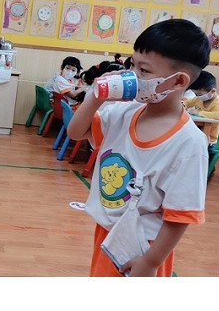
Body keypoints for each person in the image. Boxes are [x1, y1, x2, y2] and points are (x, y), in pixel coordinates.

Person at [67, 18, 211, 277]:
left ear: (178, 81)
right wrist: (96, 97)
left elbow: (180, 216)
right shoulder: (123, 112)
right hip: (108, 233)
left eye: (143, 70)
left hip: (146, 246)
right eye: (132, 64)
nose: (133, 75)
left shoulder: (189, 143)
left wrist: (151, 262)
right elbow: (75, 132)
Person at [184, 70, 219, 155]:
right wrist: (183, 105)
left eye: (199, 94)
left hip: (209, 141)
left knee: (200, 155)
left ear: (213, 91)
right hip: (197, 136)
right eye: (196, 94)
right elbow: (188, 103)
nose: (197, 96)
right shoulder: (198, 99)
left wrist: (199, 113)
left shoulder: (217, 103)